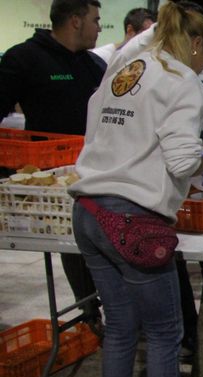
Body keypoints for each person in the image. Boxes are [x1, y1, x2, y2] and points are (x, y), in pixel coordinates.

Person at [68, 2, 203, 377]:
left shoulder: (128, 64)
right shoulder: (183, 83)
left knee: (119, 329)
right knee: (163, 333)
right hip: (134, 219)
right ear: (195, 45)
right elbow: (180, 162)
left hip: (89, 209)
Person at [0, 0, 104, 329]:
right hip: (54, 181)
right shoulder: (24, 58)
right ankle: (91, 319)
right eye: (95, 19)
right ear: (75, 21)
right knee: (72, 247)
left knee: (100, 245)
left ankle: (113, 316)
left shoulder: (94, 66)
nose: (99, 27)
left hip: (98, 174)